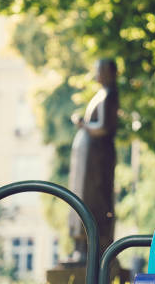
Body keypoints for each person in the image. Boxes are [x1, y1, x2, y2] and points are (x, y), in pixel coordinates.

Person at [68, 59, 119, 261]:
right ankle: (82, 245)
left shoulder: (109, 95)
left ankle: (96, 245)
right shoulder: (101, 94)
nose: (97, 74)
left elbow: (105, 128)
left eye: (100, 70)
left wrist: (83, 125)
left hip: (98, 159)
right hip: (88, 158)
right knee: (84, 197)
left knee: (95, 198)